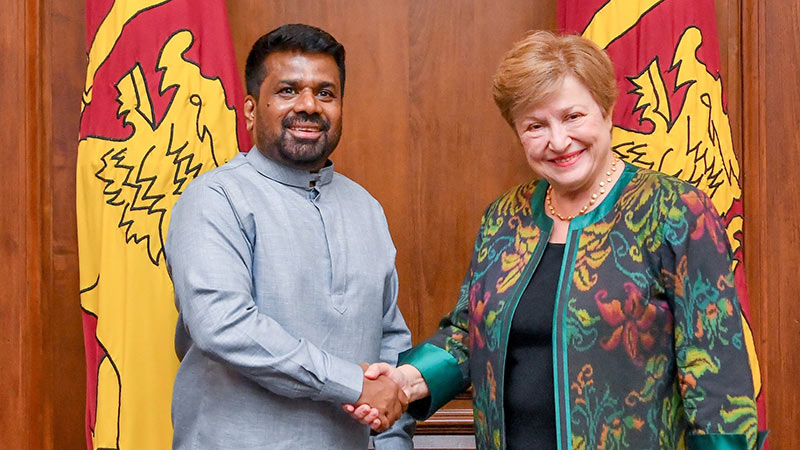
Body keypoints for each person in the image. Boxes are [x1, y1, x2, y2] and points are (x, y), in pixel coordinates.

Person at [349, 31, 763, 449]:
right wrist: (405, 380)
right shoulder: (504, 217)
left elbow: (719, 379)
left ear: (606, 111)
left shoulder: (674, 210)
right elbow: (468, 334)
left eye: (573, 116)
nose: (559, 141)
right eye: (536, 125)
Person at [165, 23, 413, 449]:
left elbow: (390, 340)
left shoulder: (366, 208)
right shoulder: (215, 198)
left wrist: (393, 442)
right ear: (250, 110)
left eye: (325, 93)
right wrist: (350, 382)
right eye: (287, 91)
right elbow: (222, 324)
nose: (309, 105)